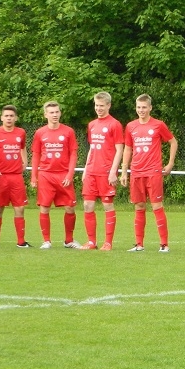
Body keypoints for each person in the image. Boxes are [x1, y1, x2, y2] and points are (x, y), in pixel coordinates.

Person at [121, 94, 177, 253]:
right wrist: (124, 171)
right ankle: (139, 244)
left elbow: (173, 142)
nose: (141, 110)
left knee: (156, 206)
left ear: (150, 108)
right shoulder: (131, 126)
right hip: (136, 172)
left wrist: (170, 163)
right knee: (139, 206)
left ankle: (164, 244)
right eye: (138, 107)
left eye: (144, 107)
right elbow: (128, 148)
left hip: (153, 172)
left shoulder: (158, 125)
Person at [30, 101, 79, 249]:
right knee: (44, 207)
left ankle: (69, 241)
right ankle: (46, 241)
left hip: (63, 174)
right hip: (45, 174)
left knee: (70, 208)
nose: (55, 115)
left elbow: (73, 154)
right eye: (51, 112)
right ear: (46, 114)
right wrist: (33, 176)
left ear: (60, 113)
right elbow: (36, 155)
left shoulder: (68, 131)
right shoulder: (40, 133)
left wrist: (70, 175)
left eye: (57, 112)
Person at [0, 105, 31, 248]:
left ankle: (21, 242)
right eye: (6, 116)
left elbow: (23, 147)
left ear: (16, 118)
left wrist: (25, 161)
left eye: (11, 116)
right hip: (1, 177)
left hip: (16, 177)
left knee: (20, 208)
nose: (9, 118)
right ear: (1, 118)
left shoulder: (21, 132)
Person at [81, 92, 124, 250]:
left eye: (101, 105)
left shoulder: (115, 124)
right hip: (91, 171)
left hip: (105, 172)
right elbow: (91, 149)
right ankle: (91, 242)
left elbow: (119, 149)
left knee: (107, 206)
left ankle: (108, 242)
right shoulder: (92, 125)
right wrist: (86, 169)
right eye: (96, 105)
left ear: (108, 105)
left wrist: (113, 171)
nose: (98, 108)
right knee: (87, 205)